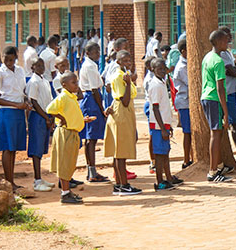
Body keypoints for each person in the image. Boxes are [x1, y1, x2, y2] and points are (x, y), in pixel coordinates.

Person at [47, 71, 95, 204]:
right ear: (64, 85)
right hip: (65, 133)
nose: (76, 85)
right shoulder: (63, 97)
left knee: (69, 163)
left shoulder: (71, 97)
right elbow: (50, 109)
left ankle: (67, 191)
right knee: (64, 163)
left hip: (73, 133)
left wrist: (82, 120)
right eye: (73, 82)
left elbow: (71, 114)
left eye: (77, 82)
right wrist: (61, 118)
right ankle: (65, 193)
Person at [0, 46, 31, 186]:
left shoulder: (20, 70)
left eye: (11, 59)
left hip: (19, 112)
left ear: (16, 58)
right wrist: (15, 105)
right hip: (7, 112)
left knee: (14, 147)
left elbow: (22, 90)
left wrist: (25, 101)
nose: (8, 62)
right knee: (7, 146)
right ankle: (9, 182)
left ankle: (11, 181)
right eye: (6, 59)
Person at [104, 51, 142, 195]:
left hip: (120, 110)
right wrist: (128, 83)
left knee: (118, 150)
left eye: (129, 60)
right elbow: (125, 101)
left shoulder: (123, 75)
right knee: (121, 151)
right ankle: (124, 184)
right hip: (122, 113)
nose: (128, 63)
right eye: (124, 61)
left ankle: (119, 184)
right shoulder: (121, 77)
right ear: (118, 62)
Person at [201, 29, 233, 183]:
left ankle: (218, 165)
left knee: (216, 133)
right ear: (219, 42)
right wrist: (226, 113)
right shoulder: (219, 61)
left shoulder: (208, 57)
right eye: (226, 40)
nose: (228, 43)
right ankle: (213, 172)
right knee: (216, 134)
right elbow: (220, 88)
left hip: (206, 97)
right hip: (214, 98)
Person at [149, 58, 183, 190]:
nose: (163, 71)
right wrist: (163, 128)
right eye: (159, 69)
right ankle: (159, 181)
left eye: (164, 68)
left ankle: (168, 178)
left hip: (164, 124)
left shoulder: (162, 82)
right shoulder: (156, 85)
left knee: (165, 152)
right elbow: (155, 108)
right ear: (153, 70)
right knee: (159, 154)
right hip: (158, 126)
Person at [78, 42, 110, 182]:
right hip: (91, 101)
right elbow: (94, 90)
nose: (98, 54)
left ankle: (91, 170)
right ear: (87, 53)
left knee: (91, 138)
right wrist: (101, 109)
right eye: (95, 52)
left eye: (98, 51)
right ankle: (92, 172)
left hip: (92, 99)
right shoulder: (89, 66)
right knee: (91, 138)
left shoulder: (92, 65)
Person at [26, 59, 55, 192]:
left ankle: (40, 178)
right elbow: (33, 101)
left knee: (41, 147)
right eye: (38, 65)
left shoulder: (44, 80)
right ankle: (37, 180)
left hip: (46, 116)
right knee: (36, 149)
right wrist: (45, 117)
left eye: (42, 65)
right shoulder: (33, 82)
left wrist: (51, 117)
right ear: (32, 67)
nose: (41, 67)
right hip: (38, 116)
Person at [218, 27, 236, 164]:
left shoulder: (227, 53)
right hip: (228, 93)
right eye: (227, 36)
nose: (230, 38)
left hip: (234, 92)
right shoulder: (220, 55)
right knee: (234, 125)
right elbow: (231, 71)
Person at [172, 38, 193, 168]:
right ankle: (186, 159)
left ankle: (190, 156)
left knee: (190, 131)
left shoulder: (186, 64)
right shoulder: (182, 67)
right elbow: (190, 83)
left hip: (187, 102)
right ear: (183, 51)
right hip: (185, 102)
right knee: (187, 131)